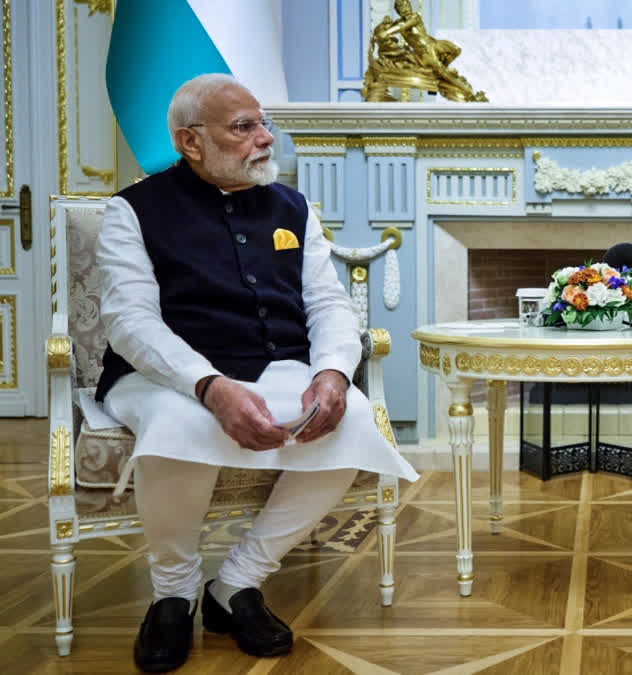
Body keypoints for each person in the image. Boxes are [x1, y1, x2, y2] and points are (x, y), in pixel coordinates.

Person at [95, 73, 419, 672]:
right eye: (244, 128)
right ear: (191, 142)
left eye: (263, 122)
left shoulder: (292, 207)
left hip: (273, 364)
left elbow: (327, 304)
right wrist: (210, 388)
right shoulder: (133, 211)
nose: (265, 137)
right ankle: (173, 592)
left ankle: (236, 584)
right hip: (164, 374)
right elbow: (130, 322)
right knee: (177, 424)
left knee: (351, 427)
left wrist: (331, 373)